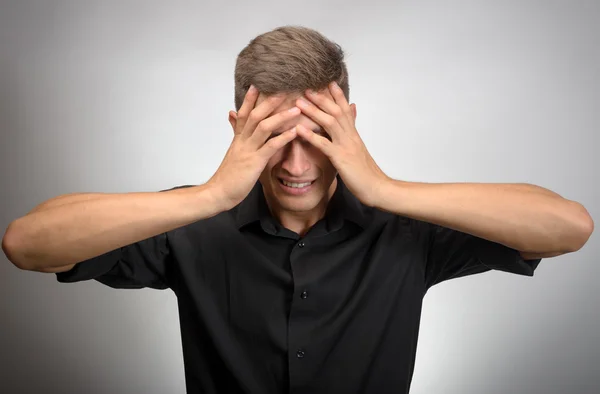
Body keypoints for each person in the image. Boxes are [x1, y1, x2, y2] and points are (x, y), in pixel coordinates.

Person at [2, 25, 593, 394]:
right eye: (273, 136)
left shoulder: (407, 231)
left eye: (316, 135)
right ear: (237, 127)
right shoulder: (193, 226)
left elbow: (570, 227)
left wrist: (384, 189)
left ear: (350, 126)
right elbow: (27, 244)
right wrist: (209, 196)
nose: (296, 165)